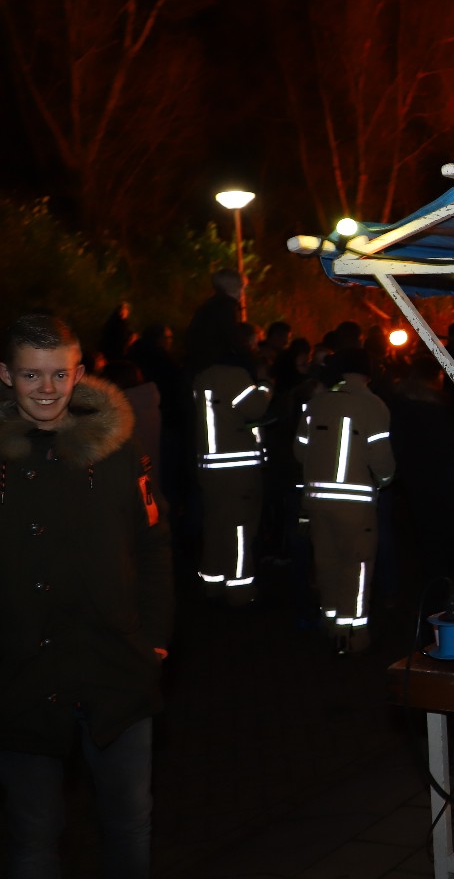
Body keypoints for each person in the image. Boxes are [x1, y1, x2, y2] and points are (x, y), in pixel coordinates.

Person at [0, 314, 173, 879]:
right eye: (31, 374)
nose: (47, 389)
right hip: (23, 677)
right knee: (33, 839)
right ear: (6, 375)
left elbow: (153, 545)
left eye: (59, 374)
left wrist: (154, 641)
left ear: (79, 374)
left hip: (114, 669)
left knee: (129, 825)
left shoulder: (117, 447)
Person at [294, 348, 396, 653]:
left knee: (326, 563)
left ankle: (331, 624)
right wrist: (384, 480)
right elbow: (381, 459)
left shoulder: (316, 403)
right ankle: (353, 634)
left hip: (316, 501)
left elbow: (299, 451)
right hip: (356, 503)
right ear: (367, 374)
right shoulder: (373, 405)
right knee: (357, 566)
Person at [190, 323, 272, 606]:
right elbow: (256, 408)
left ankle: (212, 582)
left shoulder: (203, 377)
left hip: (209, 466)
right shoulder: (235, 377)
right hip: (237, 467)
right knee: (239, 527)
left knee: (215, 524)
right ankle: (239, 589)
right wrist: (265, 384)